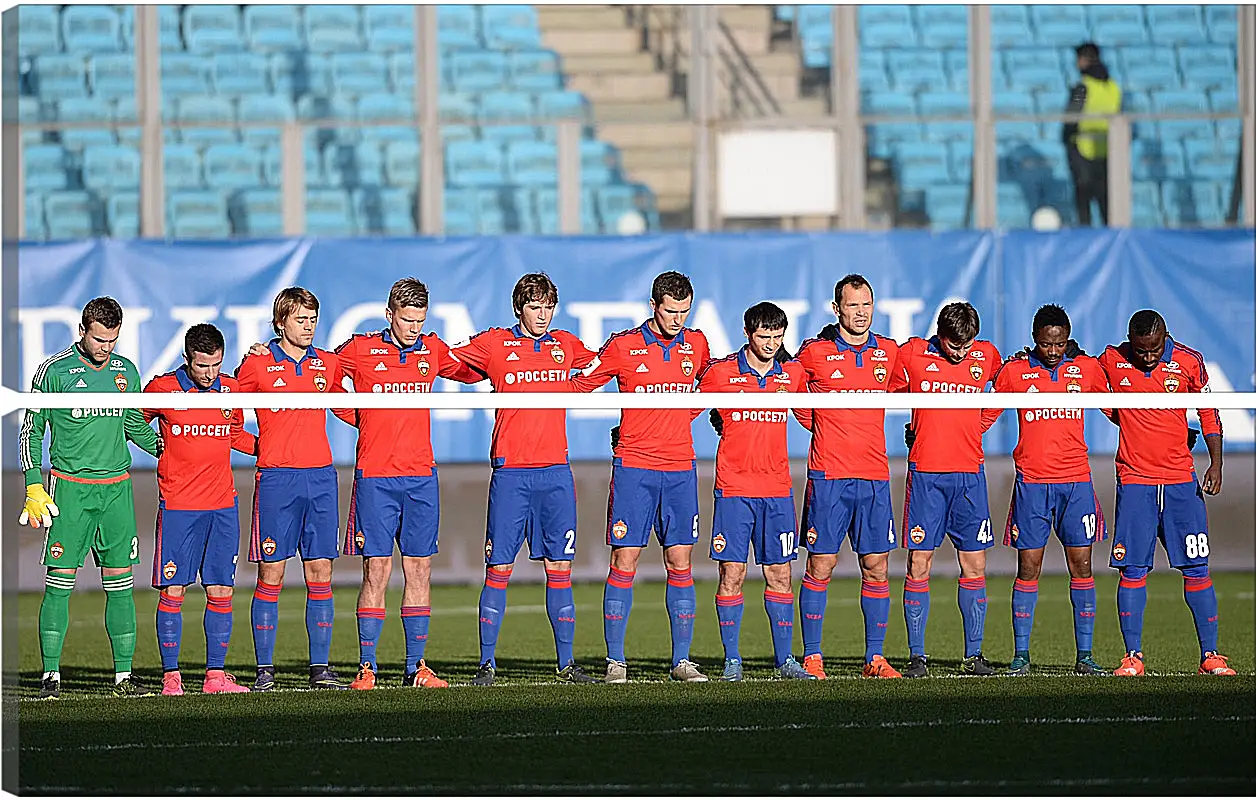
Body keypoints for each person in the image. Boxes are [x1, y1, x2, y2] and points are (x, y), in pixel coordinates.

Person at [330, 278, 483, 690]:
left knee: (419, 570)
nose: (414, 328)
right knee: (376, 570)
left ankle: (416, 666)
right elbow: (322, 377)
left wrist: (501, 353)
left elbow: (469, 371)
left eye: (420, 320)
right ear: (389, 314)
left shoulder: (431, 349)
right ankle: (367, 667)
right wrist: (362, 419)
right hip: (376, 477)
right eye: (407, 320)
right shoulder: (360, 349)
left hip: (420, 477)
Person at [449, 273, 600, 685]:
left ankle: (567, 664)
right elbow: (447, 360)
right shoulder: (496, 343)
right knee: (498, 568)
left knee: (560, 568)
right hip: (512, 473)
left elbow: (603, 364)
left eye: (549, 307)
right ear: (519, 308)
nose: (543, 315)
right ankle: (486, 663)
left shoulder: (565, 345)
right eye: (535, 307)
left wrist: (578, 386)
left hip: (555, 473)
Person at [568, 271, 712, 683]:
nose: (678, 319)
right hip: (635, 468)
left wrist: (680, 417)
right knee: (624, 559)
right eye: (671, 311)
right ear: (654, 306)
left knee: (680, 561)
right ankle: (616, 662)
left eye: (685, 311)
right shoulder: (624, 346)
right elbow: (580, 385)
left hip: (681, 467)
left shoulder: (697, 343)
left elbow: (710, 383)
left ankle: (681, 662)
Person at [21, 297, 162, 699]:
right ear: (82, 331)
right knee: (59, 584)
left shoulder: (125, 371)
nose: (106, 348)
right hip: (69, 491)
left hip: (117, 491)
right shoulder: (54, 371)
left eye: (112, 340)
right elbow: (31, 430)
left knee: (121, 584)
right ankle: (50, 675)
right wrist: (33, 485)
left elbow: (134, 424)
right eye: (100, 340)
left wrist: (169, 453)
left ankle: (123, 677)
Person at [1098, 310, 1235, 677]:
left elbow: (1209, 412)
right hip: (1135, 482)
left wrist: (1216, 463)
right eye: (1140, 351)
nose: (1147, 357)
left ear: (1165, 337)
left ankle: (1211, 655)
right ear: (1131, 343)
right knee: (1132, 569)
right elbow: (1091, 385)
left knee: (1197, 569)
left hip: (1179, 482)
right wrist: (1128, 419)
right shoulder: (1112, 359)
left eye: (1154, 349)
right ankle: (1133, 657)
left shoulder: (1189, 361)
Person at [981, 305, 1109, 677]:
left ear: (1068, 339)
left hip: (1076, 483)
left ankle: (1085, 656)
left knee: (1082, 566)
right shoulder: (1016, 372)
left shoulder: (1085, 370)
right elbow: (984, 415)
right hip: (1033, 484)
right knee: (1028, 566)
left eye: (1059, 344)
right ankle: (1021, 655)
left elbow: (1118, 408)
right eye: (1045, 343)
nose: (1052, 351)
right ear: (1034, 339)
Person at [235, 287, 348, 691]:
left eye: (313, 320)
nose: (308, 327)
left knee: (321, 572)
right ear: (280, 321)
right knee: (272, 573)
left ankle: (321, 668)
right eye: (300, 319)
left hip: (320, 478)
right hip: (277, 481)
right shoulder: (258, 364)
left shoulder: (327, 363)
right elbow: (225, 412)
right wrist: (257, 446)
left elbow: (349, 408)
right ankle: (264, 670)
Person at [695, 302, 815, 682]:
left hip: (777, 490)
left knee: (781, 574)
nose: (770, 343)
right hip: (734, 490)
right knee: (732, 572)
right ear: (748, 333)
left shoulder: (791, 372)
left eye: (777, 337)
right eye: (764, 336)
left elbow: (816, 416)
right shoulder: (721, 373)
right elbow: (682, 410)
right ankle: (733, 660)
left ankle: (785, 661)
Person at [792, 274, 902, 679]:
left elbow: (906, 390)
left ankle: (874, 658)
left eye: (867, 304)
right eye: (853, 305)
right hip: (830, 476)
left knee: (876, 566)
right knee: (822, 564)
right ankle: (813, 656)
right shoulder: (814, 353)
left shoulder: (888, 353)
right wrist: (823, 428)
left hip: (874, 476)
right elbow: (793, 394)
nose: (861, 313)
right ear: (836, 309)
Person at [887, 302, 1001, 678]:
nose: (962, 352)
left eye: (967, 344)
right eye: (954, 345)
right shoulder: (913, 353)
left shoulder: (986, 356)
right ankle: (917, 655)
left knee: (975, 564)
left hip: (970, 475)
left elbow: (1005, 389)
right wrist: (922, 429)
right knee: (919, 562)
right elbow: (882, 385)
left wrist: (974, 426)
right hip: (926, 476)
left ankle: (974, 654)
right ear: (940, 335)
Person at [143, 323, 256, 695]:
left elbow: (235, 433)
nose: (210, 374)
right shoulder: (162, 388)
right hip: (179, 507)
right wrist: (154, 443)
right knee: (173, 591)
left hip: (223, 507)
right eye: (202, 366)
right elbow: (132, 422)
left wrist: (271, 447)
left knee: (221, 591)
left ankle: (214, 677)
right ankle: (171, 678)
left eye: (216, 365)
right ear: (187, 359)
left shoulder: (231, 389)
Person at [1063, 42, 1122, 227]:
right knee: (1106, 200)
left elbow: (1072, 115)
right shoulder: (1113, 87)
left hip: (1082, 148)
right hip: (1107, 149)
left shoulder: (1082, 88)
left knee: (1084, 198)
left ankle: (1085, 234)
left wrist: (1066, 139)